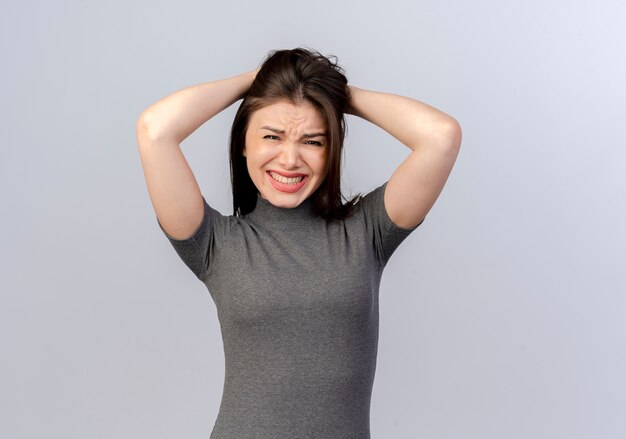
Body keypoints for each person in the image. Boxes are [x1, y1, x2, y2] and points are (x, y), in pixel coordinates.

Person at [136, 48, 461, 438]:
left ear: (331, 152)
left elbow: (441, 137)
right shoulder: (215, 244)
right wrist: (256, 81)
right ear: (243, 143)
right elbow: (155, 129)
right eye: (272, 136)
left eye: (313, 141)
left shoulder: (367, 231)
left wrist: (332, 93)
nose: (289, 159)